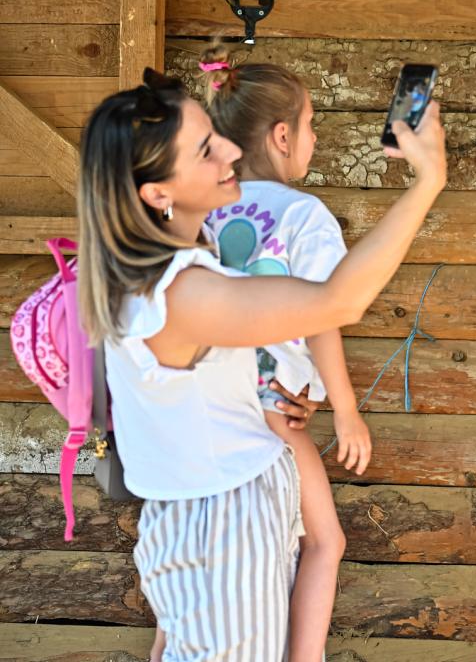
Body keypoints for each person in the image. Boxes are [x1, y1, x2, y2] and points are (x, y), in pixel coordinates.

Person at [77, 68, 446, 661]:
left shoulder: (164, 275)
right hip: (223, 529)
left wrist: (276, 397)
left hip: (209, 517)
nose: (227, 149)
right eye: (204, 149)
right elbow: (337, 301)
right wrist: (428, 180)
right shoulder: (181, 295)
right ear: (158, 192)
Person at [184, 44, 366, 661]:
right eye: (312, 126)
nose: (314, 139)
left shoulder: (199, 211)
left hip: (194, 410)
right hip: (268, 414)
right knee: (324, 543)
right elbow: (323, 317)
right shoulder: (305, 216)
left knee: (194, 556)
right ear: (283, 136)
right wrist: (344, 407)